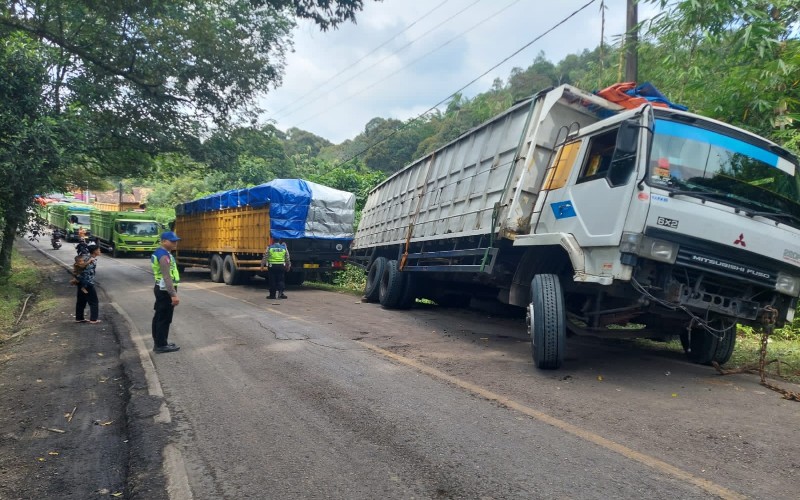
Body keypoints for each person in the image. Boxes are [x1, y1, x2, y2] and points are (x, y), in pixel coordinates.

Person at [151, 231, 182, 353]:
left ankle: (160, 342)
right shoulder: (163, 256)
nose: (175, 243)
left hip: (162, 288)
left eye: (176, 241)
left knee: (159, 316)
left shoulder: (161, 253)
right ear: (164, 241)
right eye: (172, 241)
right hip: (165, 290)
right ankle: (161, 345)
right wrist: (173, 295)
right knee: (164, 318)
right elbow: (167, 277)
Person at [74, 242, 101, 324]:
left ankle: (79, 318)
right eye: (98, 250)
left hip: (80, 282)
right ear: (94, 251)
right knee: (94, 301)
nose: (100, 251)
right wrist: (86, 284)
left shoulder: (85, 257)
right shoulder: (91, 260)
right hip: (87, 283)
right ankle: (93, 319)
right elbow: (86, 272)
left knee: (81, 300)